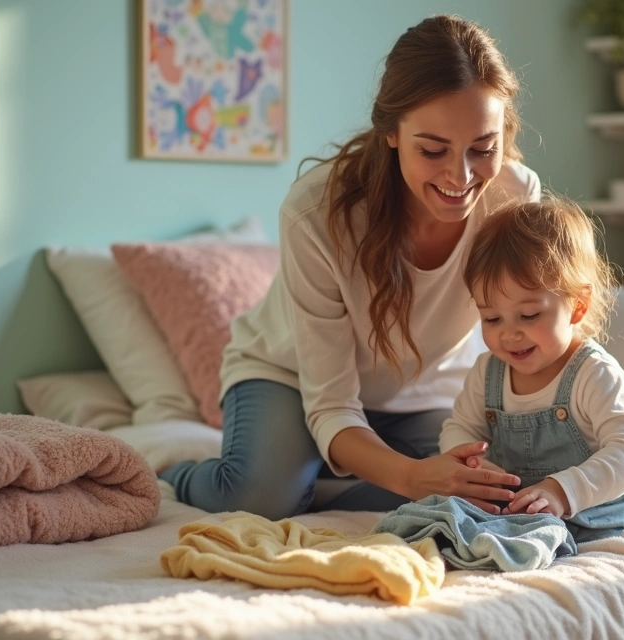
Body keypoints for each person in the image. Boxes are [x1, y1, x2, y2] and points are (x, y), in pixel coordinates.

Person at [161, 15, 540, 519]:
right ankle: (174, 473)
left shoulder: (514, 197)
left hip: (421, 391)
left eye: (482, 148)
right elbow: (331, 403)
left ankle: (317, 481)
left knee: (489, 488)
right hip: (290, 380)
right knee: (260, 500)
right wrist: (410, 476)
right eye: (432, 149)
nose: (461, 176)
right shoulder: (316, 213)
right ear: (390, 133)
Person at [440, 197, 624, 542]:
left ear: (577, 306)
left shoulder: (592, 373)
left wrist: (562, 491)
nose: (509, 333)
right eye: (491, 318)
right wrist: (473, 467)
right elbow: (460, 428)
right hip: (523, 507)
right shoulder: (486, 373)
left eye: (529, 315)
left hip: (596, 507)